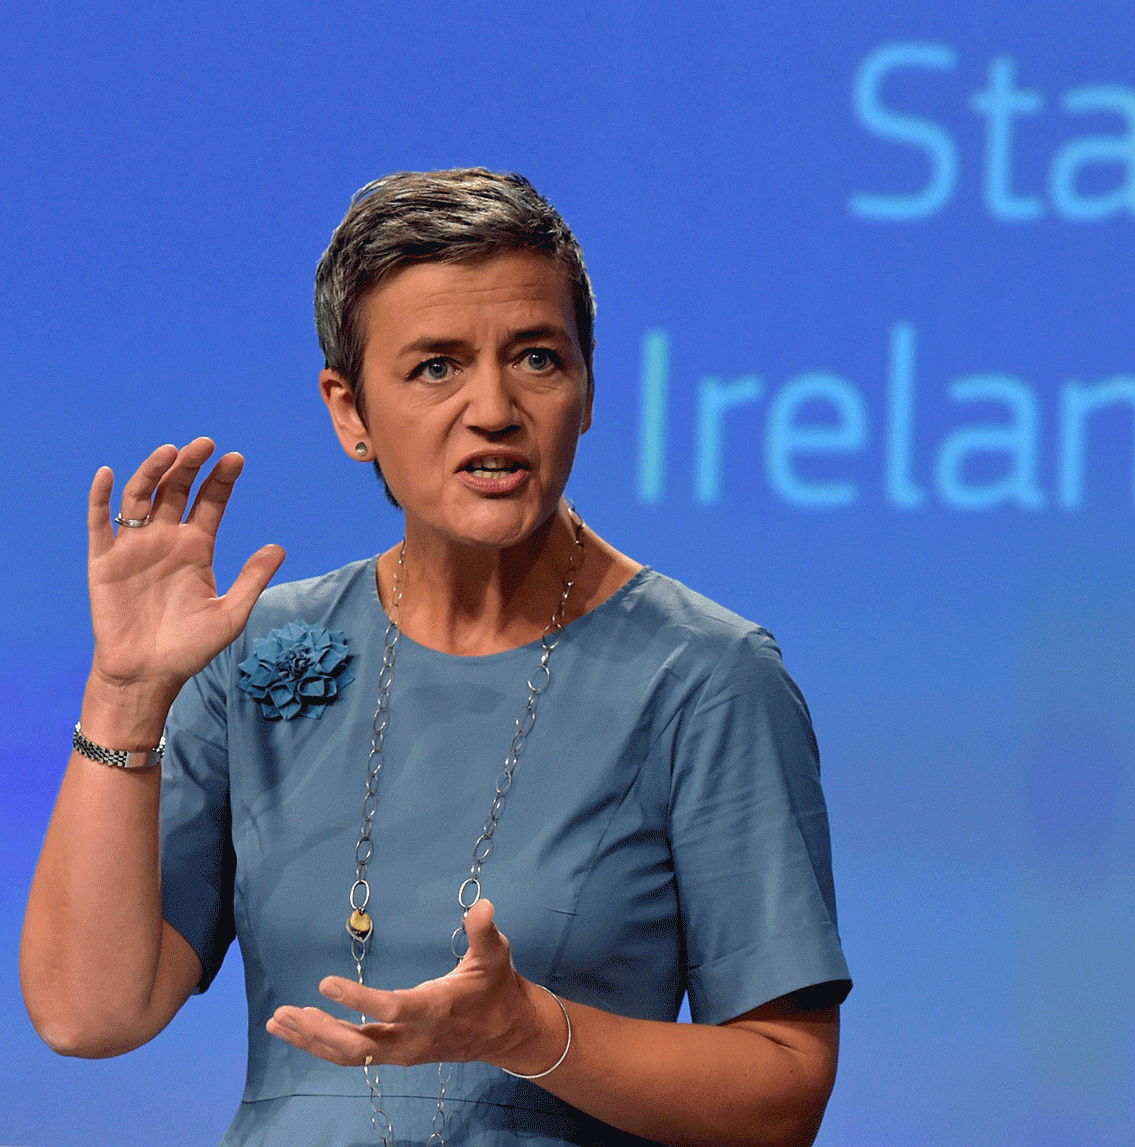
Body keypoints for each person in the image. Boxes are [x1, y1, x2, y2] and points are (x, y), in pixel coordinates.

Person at [20, 169, 851, 1146]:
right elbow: (89, 1014)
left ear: (586, 389)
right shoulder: (251, 656)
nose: (494, 408)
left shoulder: (707, 676)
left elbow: (784, 1088)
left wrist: (530, 1030)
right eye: (435, 367)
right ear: (349, 412)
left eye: (536, 358)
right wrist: (124, 693)